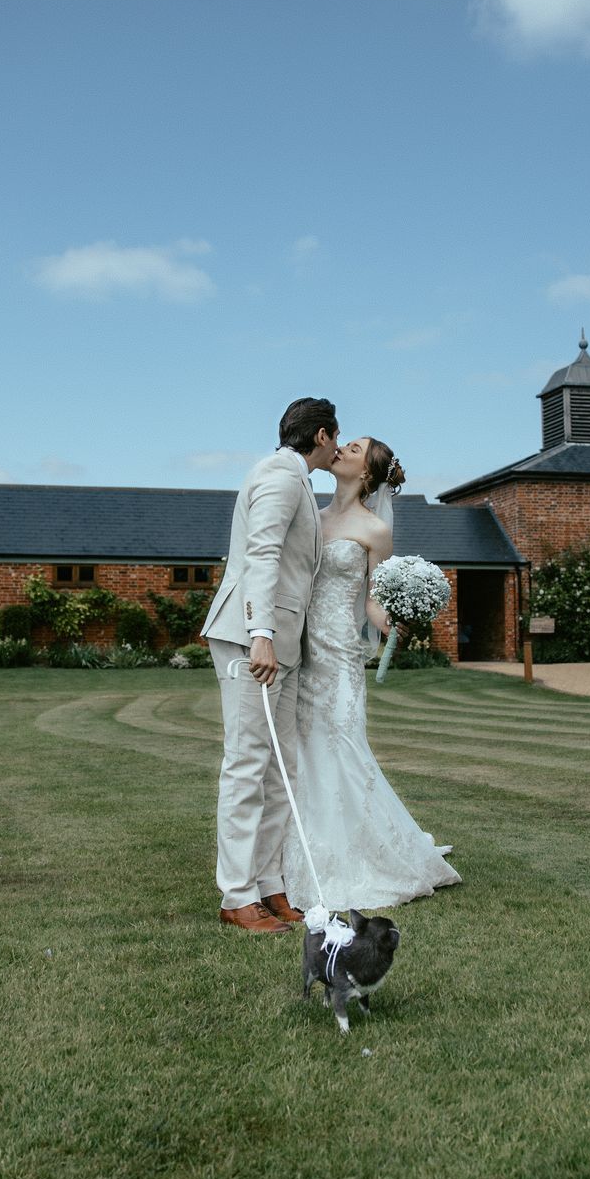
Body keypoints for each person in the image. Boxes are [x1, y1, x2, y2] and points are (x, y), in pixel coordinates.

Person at [284, 436, 460, 910]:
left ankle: (360, 856)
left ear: (367, 472)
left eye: (354, 447)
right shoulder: (310, 516)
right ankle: (297, 846)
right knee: (302, 748)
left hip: (340, 652)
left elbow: (371, 598)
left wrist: (394, 619)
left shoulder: (375, 530)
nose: (340, 448)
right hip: (298, 648)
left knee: (341, 742)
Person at [200, 398, 339, 934]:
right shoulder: (280, 477)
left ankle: (269, 886)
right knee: (247, 765)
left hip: (284, 643)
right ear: (322, 435)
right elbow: (261, 555)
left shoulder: (298, 479)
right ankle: (236, 897)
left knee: (282, 771)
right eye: (336, 438)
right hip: (251, 641)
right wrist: (260, 634)